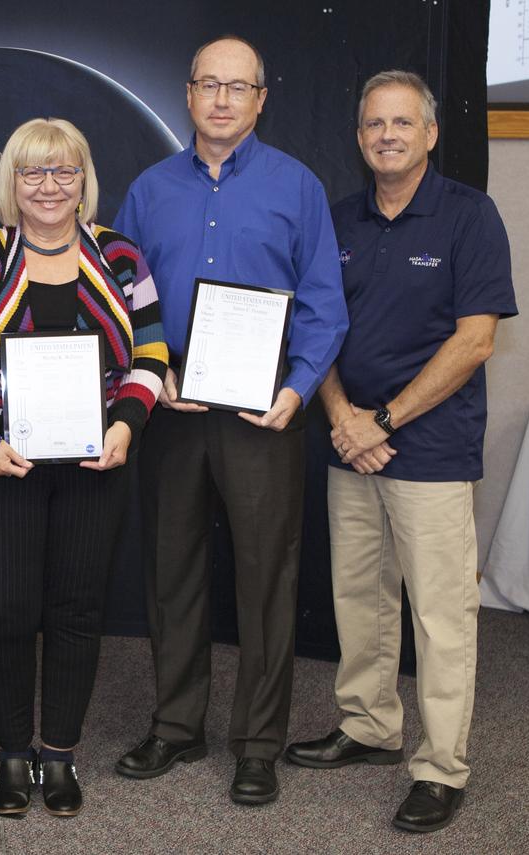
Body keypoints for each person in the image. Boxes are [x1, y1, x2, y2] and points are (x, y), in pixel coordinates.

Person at [112, 35, 348, 804]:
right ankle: (178, 726)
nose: (221, 100)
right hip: (173, 407)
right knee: (172, 571)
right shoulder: (148, 190)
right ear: (188, 95)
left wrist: (301, 387)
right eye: (208, 85)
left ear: (260, 98)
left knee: (265, 579)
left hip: (263, 410)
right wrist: (154, 368)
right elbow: (121, 300)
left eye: (236, 87)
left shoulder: (298, 186)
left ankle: (257, 742)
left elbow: (323, 304)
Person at [285, 70, 516, 833]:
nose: (388, 135)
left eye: (402, 123)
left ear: (430, 132)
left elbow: (475, 340)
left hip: (432, 450)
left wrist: (384, 418)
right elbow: (318, 329)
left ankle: (441, 765)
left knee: (441, 616)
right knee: (361, 598)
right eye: (374, 124)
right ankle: (369, 724)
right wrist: (345, 416)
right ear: (358, 138)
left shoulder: (468, 216)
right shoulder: (339, 219)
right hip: (351, 442)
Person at [0, 119, 167, 817]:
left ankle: (59, 753)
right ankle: (12, 753)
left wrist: (126, 426)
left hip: (99, 464)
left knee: (76, 610)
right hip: (3, 465)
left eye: (64, 171)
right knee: (4, 611)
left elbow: (152, 358)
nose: (49, 186)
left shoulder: (122, 255)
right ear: (11, 181)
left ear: (84, 180)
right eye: (33, 172)